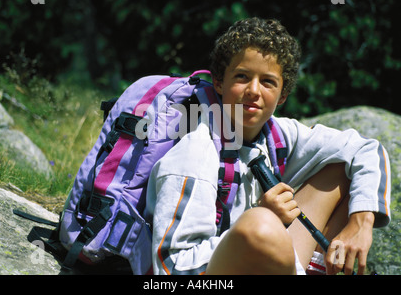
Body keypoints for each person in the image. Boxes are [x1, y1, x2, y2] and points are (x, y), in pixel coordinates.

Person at [144, 17, 391, 275]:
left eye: (268, 82)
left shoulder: (277, 135)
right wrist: (256, 223)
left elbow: (366, 150)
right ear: (219, 82)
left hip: (268, 256)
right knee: (260, 225)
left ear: (283, 94)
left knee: (343, 169)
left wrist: (360, 222)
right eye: (242, 76)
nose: (253, 90)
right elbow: (171, 268)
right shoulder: (195, 153)